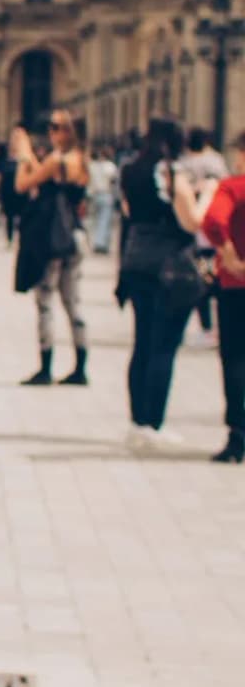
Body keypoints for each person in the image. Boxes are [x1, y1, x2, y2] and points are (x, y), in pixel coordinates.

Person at [115, 116, 204, 452]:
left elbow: (129, 210)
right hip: (169, 264)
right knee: (164, 345)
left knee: (142, 343)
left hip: (137, 258)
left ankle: (136, 421)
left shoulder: (130, 170)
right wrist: (205, 195)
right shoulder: (172, 172)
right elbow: (190, 220)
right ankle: (154, 422)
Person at [12, 111, 89, 386]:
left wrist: (23, 155)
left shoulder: (58, 159)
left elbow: (23, 183)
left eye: (56, 127)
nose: (52, 132)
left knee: (45, 301)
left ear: (69, 132)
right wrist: (32, 155)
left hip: (53, 239)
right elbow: (45, 177)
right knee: (73, 303)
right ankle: (81, 366)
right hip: (75, 236)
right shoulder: (79, 159)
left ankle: (45, 367)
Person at [199, 131, 245, 463]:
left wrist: (227, 250)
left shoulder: (232, 187)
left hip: (235, 286)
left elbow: (212, 219)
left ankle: (237, 435)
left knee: (235, 360)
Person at [180, 127, 229, 350]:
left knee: (201, 277)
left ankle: (207, 327)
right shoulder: (217, 161)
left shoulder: (184, 163)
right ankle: (217, 326)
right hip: (215, 226)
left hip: (196, 229)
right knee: (215, 276)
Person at [87, 144, 119, 254]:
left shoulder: (92, 166)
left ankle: (97, 241)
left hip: (94, 195)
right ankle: (101, 243)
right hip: (106, 194)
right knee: (104, 220)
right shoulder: (110, 166)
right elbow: (113, 181)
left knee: (96, 220)